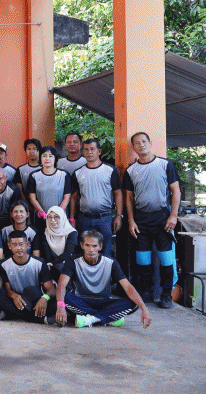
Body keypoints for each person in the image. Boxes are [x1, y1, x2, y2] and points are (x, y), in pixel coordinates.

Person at [123, 131, 181, 309]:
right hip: (140, 219)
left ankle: (166, 294)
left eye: (144, 141)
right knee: (142, 258)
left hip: (163, 217)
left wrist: (173, 216)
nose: (141, 145)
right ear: (133, 147)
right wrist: (131, 221)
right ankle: (146, 291)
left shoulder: (165, 165)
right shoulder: (131, 170)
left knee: (166, 258)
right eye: (137, 143)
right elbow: (129, 198)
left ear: (150, 143)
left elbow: (176, 191)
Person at [56, 230, 152, 328]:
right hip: (82, 301)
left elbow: (127, 286)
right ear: (82, 245)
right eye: (87, 245)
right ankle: (107, 317)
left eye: (95, 246)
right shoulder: (73, 261)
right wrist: (60, 305)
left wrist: (144, 308)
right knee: (64, 297)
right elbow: (61, 284)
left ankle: (92, 319)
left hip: (104, 302)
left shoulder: (110, 262)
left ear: (100, 247)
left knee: (134, 303)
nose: (91, 249)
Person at [70, 138, 123, 259]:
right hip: (84, 218)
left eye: (92, 149)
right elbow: (74, 198)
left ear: (99, 151)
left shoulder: (110, 170)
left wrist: (119, 216)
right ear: (83, 152)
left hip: (105, 218)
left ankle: (106, 272)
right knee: (84, 253)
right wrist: (72, 218)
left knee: (105, 253)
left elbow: (118, 193)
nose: (89, 152)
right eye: (86, 149)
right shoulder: (78, 173)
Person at [0, 230, 59, 325]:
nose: (18, 248)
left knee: (32, 292)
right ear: (9, 246)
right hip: (17, 300)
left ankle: (11, 313)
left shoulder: (39, 263)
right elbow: (8, 290)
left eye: (21, 244)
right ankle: (43, 319)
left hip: (35, 299)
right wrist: (14, 296)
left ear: (27, 244)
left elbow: (51, 290)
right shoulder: (4, 265)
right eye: (14, 245)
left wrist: (44, 298)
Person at [26, 146, 72, 223]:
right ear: (40, 158)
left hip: (60, 218)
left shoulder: (64, 175)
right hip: (41, 218)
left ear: (55, 158)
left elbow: (67, 198)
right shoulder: (34, 175)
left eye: (50, 156)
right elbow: (32, 199)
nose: (47, 159)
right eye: (44, 156)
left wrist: (56, 215)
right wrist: (44, 214)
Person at [34, 206, 78, 281]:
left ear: (62, 217)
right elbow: (47, 256)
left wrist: (52, 263)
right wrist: (50, 265)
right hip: (52, 265)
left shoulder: (72, 233)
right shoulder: (45, 233)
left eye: (56, 217)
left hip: (68, 264)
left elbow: (68, 253)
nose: (52, 220)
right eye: (49, 217)